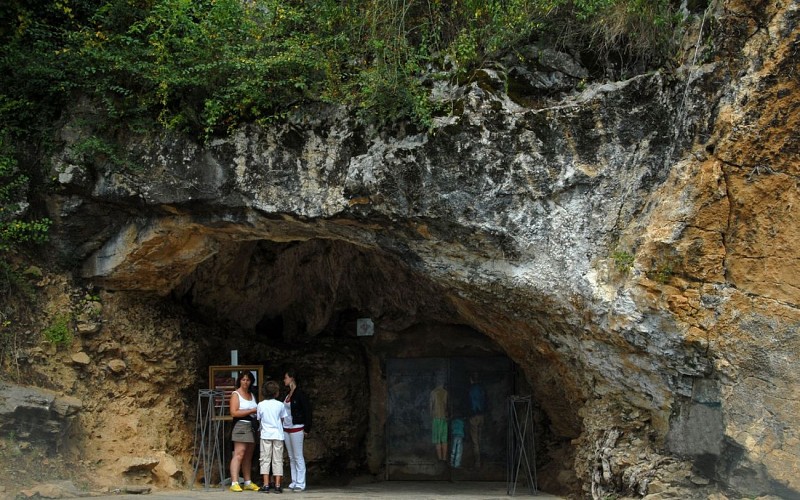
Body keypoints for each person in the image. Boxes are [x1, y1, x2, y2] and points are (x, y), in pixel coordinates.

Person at [229, 370, 259, 492]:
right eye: (243, 379)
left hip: (251, 425)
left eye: (248, 380)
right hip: (241, 425)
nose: (245, 382)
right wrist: (251, 411)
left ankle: (247, 481)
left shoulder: (252, 395)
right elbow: (234, 412)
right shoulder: (236, 394)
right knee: (239, 453)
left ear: (251, 381)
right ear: (239, 381)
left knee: (248, 455)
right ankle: (234, 482)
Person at [283, 369, 312, 492]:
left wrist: (307, 428)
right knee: (291, 456)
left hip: (297, 427)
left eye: (286, 377)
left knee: (298, 455)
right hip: (287, 427)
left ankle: (301, 482)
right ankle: (294, 480)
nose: (284, 380)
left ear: (292, 378)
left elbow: (307, 411)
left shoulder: (300, 394)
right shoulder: (288, 394)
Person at [256, 380, 288, 493]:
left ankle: (266, 484)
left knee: (265, 459)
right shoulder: (280, 405)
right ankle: (278, 485)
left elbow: (259, 419)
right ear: (276, 393)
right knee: (278, 459)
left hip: (265, 434)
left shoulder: (260, 405)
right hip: (278, 434)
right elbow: (283, 418)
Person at [468, 372, 486, 468]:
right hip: (482, 416)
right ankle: (481, 461)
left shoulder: (471, 390)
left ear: (471, 379)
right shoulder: (482, 389)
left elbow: (471, 403)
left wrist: (470, 414)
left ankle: (477, 463)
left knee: (475, 441)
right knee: (480, 439)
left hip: (474, 416)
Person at [430, 377, 448, 461]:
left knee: (437, 440)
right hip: (444, 418)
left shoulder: (433, 393)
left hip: (436, 418)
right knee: (444, 439)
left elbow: (431, 407)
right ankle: (444, 458)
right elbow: (447, 406)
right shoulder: (446, 393)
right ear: (442, 384)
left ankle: (440, 459)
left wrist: (431, 416)